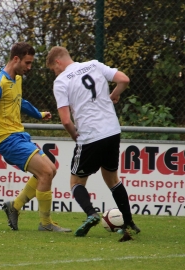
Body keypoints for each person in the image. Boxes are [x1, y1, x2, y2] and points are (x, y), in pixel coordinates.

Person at [0, 42, 71, 233]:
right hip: (6, 139)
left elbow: (19, 101)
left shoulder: (16, 79)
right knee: (46, 173)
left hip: (19, 135)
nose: (29, 67)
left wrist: (38, 114)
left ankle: (14, 207)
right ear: (16, 59)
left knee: (51, 170)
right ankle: (45, 223)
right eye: (27, 63)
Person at [46, 46, 140, 241]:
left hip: (90, 135)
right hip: (112, 131)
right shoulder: (94, 65)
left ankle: (91, 213)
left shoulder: (61, 81)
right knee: (113, 179)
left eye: (53, 69)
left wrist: (74, 135)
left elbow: (65, 120)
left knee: (76, 182)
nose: (55, 73)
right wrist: (114, 95)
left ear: (58, 62)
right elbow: (124, 79)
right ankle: (128, 222)